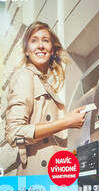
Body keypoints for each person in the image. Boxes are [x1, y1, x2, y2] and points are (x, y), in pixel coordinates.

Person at [4, 21, 87, 176]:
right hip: (38, 177)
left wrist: (69, 119)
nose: (40, 45)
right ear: (27, 50)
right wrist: (66, 122)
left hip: (53, 173)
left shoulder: (43, 81)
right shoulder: (24, 76)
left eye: (45, 40)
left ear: (52, 50)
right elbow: (14, 133)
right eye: (34, 40)